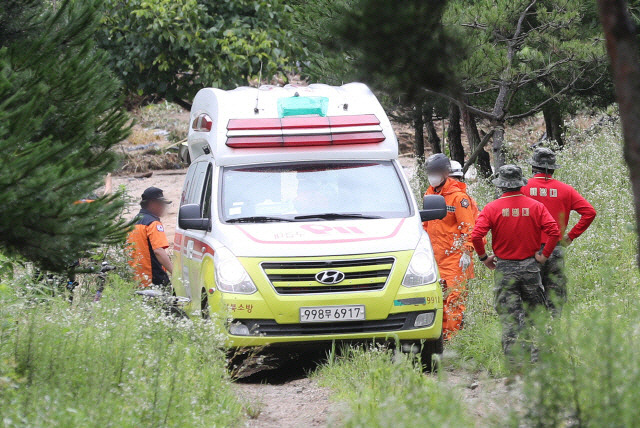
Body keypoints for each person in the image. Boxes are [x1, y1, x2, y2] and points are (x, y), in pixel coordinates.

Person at [471, 165, 560, 361]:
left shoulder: (492, 208)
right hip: (530, 268)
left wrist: (484, 258)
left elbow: (476, 236)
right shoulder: (536, 206)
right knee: (536, 315)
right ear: (520, 183)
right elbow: (554, 232)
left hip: (505, 270)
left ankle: (515, 364)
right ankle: (538, 360)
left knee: (510, 318)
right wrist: (544, 255)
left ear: (501, 185)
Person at [522, 148, 596, 316]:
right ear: (553, 169)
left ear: (533, 168)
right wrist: (570, 236)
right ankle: (552, 333)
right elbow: (590, 212)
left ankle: (533, 332)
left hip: (528, 250)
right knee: (554, 295)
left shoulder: (523, 188)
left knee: (530, 294)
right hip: (554, 248)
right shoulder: (566, 190)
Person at [422, 154, 476, 339]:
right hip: (435, 258)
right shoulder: (429, 195)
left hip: (455, 258)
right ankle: (440, 335)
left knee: (454, 298)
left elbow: (469, 228)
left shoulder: (459, 198)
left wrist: (467, 251)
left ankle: (451, 338)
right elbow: (425, 226)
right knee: (438, 298)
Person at [127, 187, 173, 288]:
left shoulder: (133, 222)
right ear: (153, 203)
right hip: (153, 279)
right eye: (162, 204)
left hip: (136, 280)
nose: (164, 208)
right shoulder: (153, 223)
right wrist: (174, 271)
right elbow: (158, 251)